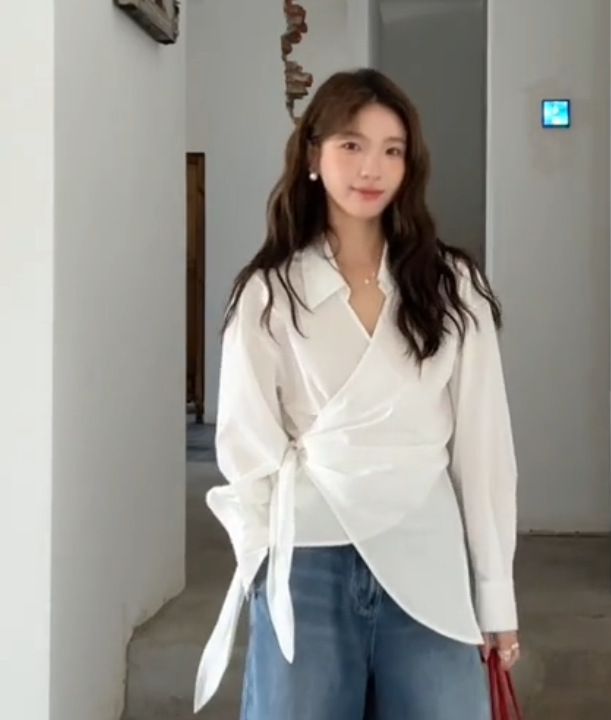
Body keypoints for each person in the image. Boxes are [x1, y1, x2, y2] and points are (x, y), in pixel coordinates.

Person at [193, 68, 520, 720]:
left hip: (426, 550)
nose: (372, 167)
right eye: (352, 144)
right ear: (314, 155)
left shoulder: (452, 287)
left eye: (392, 150)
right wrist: (260, 558)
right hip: (307, 557)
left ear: (409, 165)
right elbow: (246, 446)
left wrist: (495, 595)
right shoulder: (269, 293)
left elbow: (484, 455)